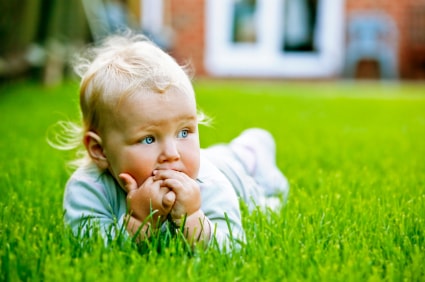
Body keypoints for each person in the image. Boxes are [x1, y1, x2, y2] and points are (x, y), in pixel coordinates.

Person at [55, 33, 289, 250]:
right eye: (148, 139)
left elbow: (232, 247)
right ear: (100, 150)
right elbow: (90, 250)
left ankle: (251, 152)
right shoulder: (89, 189)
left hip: (230, 173)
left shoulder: (207, 181)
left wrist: (194, 218)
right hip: (213, 160)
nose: (172, 154)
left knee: (260, 201)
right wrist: (140, 222)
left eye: (184, 132)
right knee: (218, 156)